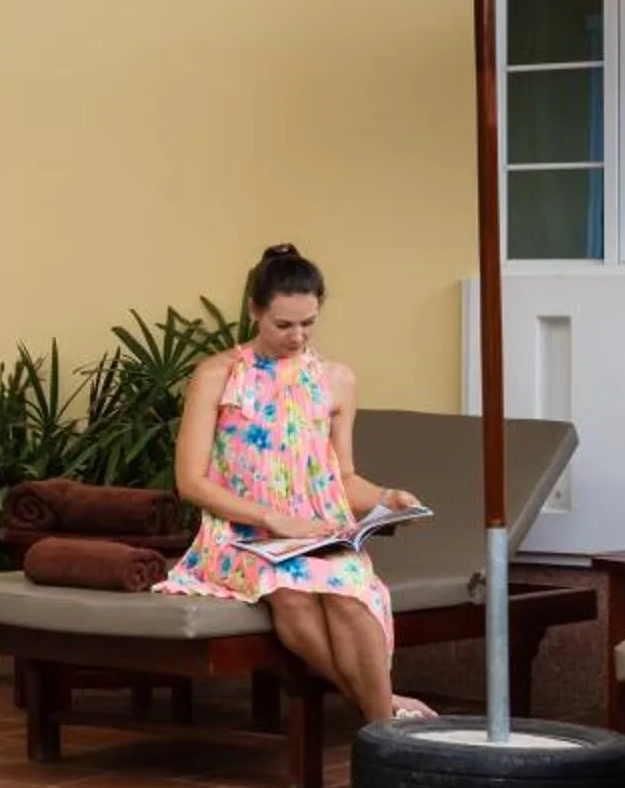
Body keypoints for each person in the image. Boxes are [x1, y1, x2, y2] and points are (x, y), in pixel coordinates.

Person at [155, 244, 431, 725]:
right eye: (283, 324)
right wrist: (270, 518)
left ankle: (379, 723)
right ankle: (385, 714)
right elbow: (191, 482)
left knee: (349, 593)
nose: (297, 336)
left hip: (314, 533)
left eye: (308, 323)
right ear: (254, 311)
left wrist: (386, 497)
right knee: (291, 592)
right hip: (239, 538)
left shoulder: (337, 380)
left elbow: (343, 478)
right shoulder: (217, 376)